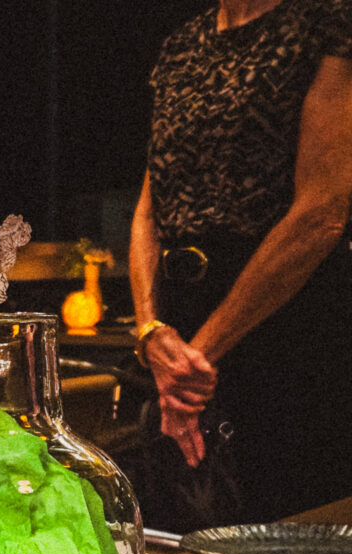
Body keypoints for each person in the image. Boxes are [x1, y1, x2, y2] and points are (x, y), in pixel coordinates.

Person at [129, 0, 352, 526]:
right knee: (184, 541)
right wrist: (150, 331)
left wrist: (192, 361)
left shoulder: (326, 23)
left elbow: (322, 212)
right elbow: (148, 210)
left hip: (288, 323)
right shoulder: (182, 46)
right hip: (180, 331)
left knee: (298, 546)